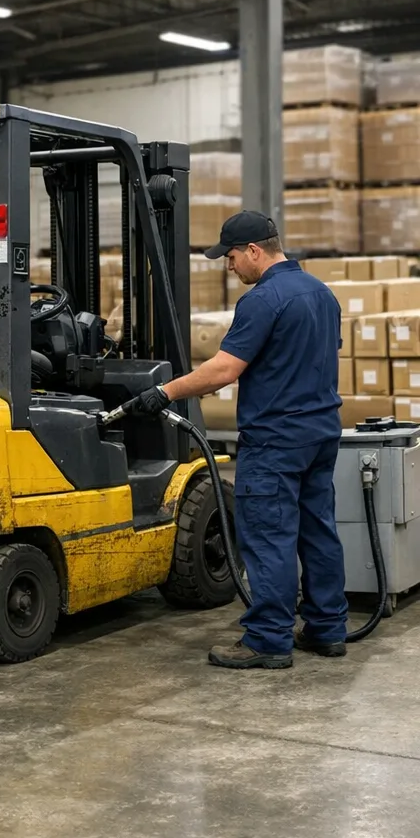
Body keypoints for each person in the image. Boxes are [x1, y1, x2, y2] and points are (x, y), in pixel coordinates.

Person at [125, 211, 344, 669]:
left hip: (276, 440)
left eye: (230, 256)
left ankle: (268, 639)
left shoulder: (262, 300)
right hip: (321, 434)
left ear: (254, 251)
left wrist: (165, 391)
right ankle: (326, 629)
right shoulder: (321, 293)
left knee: (268, 537)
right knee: (318, 532)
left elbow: (224, 370)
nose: (229, 266)